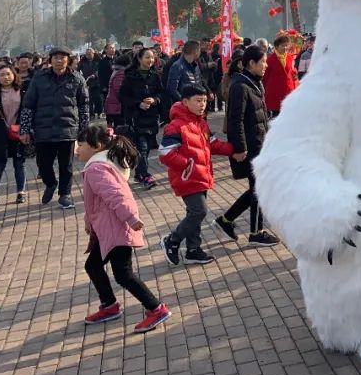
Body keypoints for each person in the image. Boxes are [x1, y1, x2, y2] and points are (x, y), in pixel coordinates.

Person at [76, 124, 171, 332]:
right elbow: (96, 201)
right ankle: (109, 305)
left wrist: (131, 218)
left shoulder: (96, 169)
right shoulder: (104, 164)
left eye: (80, 145)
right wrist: (88, 221)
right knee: (93, 265)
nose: (77, 150)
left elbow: (115, 195)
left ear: (96, 146)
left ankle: (156, 309)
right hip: (107, 229)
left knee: (123, 274)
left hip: (117, 228)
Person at [158, 85, 241, 266]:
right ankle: (172, 240)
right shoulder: (175, 126)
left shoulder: (201, 123)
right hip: (187, 178)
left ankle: (193, 250)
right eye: (198, 100)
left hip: (201, 175)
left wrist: (234, 150)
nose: (202, 104)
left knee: (195, 213)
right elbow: (165, 154)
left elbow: (213, 144)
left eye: (204, 100)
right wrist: (187, 165)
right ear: (185, 101)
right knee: (199, 211)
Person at [216, 45, 279, 247]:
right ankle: (256, 232)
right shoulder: (240, 86)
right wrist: (240, 149)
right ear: (251, 63)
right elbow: (236, 121)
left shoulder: (254, 83)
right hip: (250, 148)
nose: (266, 65)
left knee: (257, 188)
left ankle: (226, 220)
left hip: (260, 144)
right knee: (259, 188)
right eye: (263, 62)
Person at [18, 47, 89, 209]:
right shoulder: (39, 78)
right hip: (43, 129)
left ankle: (64, 194)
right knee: (43, 164)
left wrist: (84, 131)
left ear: (68, 60)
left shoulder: (77, 78)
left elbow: (84, 106)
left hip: (68, 129)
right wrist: (25, 129)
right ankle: (50, 183)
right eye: (56, 57)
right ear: (50, 60)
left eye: (63, 57)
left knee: (67, 165)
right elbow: (28, 105)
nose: (59, 60)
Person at [119, 48, 164, 190]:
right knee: (142, 148)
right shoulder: (130, 76)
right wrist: (138, 104)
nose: (150, 60)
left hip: (152, 118)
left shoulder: (155, 76)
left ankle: (138, 174)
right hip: (136, 118)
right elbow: (123, 97)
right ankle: (145, 175)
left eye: (152, 58)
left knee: (148, 147)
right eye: (147, 57)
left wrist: (155, 100)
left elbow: (161, 93)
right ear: (139, 59)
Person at [0, 64, 27, 203]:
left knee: (19, 163)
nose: (6, 77)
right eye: (2, 75)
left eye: (8, 74)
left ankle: (20, 192)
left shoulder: (22, 90)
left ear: (14, 75)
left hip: (18, 132)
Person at [262, 34, 299, 119]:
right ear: (277, 46)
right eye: (283, 45)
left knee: (289, 117)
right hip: (275, 93)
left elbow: (293, 74)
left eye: (287, 45)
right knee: (276, 117)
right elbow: (265, 77)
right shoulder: (270, 60)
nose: (285, 48)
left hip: (288, 91)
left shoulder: (290, 58)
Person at [165, 41, 203, 108]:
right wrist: (185, 102)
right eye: (199, 50)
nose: (200, 53)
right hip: (183, 106)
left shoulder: (195, 65)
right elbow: (172, 89)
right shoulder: (177, 66)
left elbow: (199, 82)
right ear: (195, 51)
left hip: (195, 105)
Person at [103, 53, 130, 125]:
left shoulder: (117, 70)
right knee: (120, 127)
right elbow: (118, 90)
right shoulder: (121, 73)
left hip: (115, 104)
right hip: (117, 105)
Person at [78, 49, 102, 119]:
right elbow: (78, 70)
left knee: (98, 99)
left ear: (93, 53)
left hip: (97, 82)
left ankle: (99, 112)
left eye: (90, 53)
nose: (88, 55)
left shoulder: (99, 61)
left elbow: (101, 70)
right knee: (89, 99)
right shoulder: (82, 62)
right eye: (87, 54)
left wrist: (95, 75)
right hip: (87, 83)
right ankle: (91, 114)